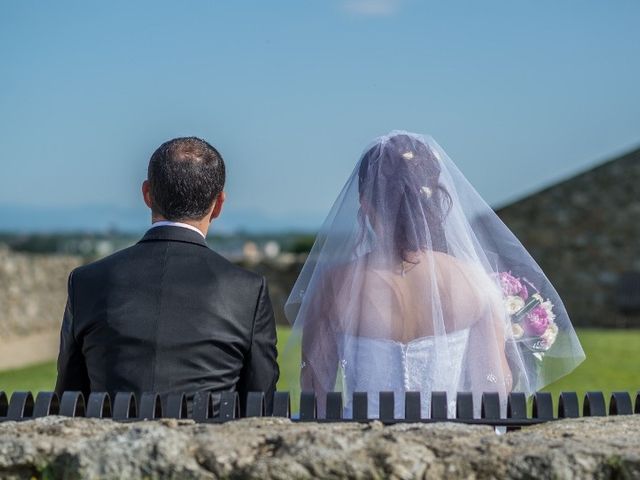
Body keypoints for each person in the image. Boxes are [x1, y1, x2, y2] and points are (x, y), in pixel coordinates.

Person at [284, 131, 585, 419]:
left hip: (362, 443)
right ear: (434, 197)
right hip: (449, 441)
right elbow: (493, 387)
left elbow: (314, 385)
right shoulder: (472, 280)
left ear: (364, 203)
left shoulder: (335, 283)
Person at [55, 137, 279, 414]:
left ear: (147, 194)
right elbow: (261, 407)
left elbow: (68, 401)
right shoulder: (247, 290)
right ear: (219, 203)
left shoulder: (86, 281)